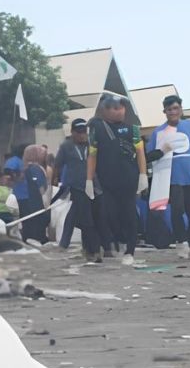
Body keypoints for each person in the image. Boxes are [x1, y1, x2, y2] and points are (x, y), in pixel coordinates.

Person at [87, 94, 147, 266]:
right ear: (104, 110)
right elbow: (92, 155)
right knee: (110, 214)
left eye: (121, 108)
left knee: (129, 213)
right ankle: (119, 240)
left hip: (129, 178)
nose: (118, 111)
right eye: (113, 108)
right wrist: (88, 180)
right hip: (107, 180)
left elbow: (141, 153)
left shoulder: (133, 129)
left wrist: (143, 175)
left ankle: (130, 250)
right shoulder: (96, 128)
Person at [147, 95, 190, 259]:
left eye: (175, 108)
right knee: (177, 212)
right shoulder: (158, 132)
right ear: (164, 112)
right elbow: (149, 155)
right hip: (172, 179)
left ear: (181, 109)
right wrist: (163, 151)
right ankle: (182, 242)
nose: (173, 112)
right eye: (169, 109)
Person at [56, 118, 105, 259]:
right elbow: (58, 165)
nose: (82, 135)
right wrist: (56, 182)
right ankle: (94, 250)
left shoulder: (92, 144)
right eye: (79, 132)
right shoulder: (66, 146)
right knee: (85, 219)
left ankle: (88, 247)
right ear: (72, 132)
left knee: (92, 218)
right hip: (77, 187)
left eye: (84, 132)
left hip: (95, 186)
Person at [16, 144, 50, 243]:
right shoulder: (35, 168)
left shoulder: (27, 168)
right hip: (36, 202)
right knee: (37, 223)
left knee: (29, 223)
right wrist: (45, 200)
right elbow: (40, 186)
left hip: (28, 201)